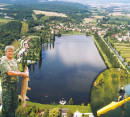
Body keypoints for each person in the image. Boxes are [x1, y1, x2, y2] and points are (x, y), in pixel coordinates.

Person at [0, 46, 29, 117]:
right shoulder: (4, 61)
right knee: (6, 106)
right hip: (7, 86)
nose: (11, 53)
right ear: (6, 52)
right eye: (9, 51)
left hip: (14, 85)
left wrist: (23, 75)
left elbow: (17, 71)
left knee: (14, 104)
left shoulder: (14, 60)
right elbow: (9, 72)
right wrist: (21, 73)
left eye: (12, 51)